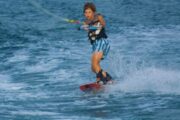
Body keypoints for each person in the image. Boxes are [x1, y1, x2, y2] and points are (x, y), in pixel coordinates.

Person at [82, 2, 112, 84]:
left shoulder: (98, 16)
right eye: (86, 12)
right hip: (95, 45)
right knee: (93, 67)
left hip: (102, 42)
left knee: (95, 64)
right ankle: (107, 78)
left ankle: (102, 80)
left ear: (93, 12)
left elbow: (103, 24)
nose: (87, 14)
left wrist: (92, 25)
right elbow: (88, 29)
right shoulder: (85, 22)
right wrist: (85, 27)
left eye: (89, 12)